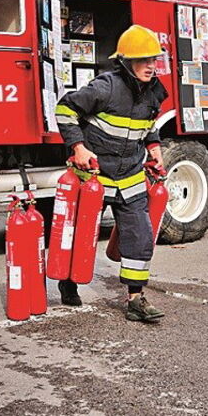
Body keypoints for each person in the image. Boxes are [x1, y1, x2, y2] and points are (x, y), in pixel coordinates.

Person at [54, 25, 169, 321]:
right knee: (81, 234)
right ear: (126, 62)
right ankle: (69, 282)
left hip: (130, 176)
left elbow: (148, 125)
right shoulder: (105, 87)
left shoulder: (154, 92)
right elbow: (64, 110)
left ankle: (135, 299)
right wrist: (78, 147)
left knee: (140, 235)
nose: (151, 66)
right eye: (143, 60)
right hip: (94, 176)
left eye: (153, 60)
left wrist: (154, 147)